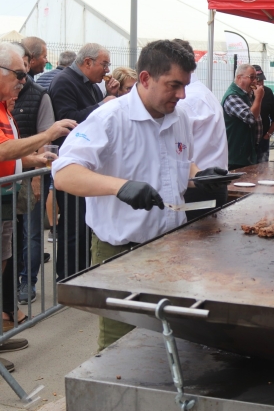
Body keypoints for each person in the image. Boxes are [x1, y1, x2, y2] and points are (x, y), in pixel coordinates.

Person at [52, 39, 227, 350]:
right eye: (174, 85)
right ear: (145, 79)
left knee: (168, 336)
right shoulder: (110, 118)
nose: (182, 95)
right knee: (121, 345)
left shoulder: (180, 117)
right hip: (121, 252)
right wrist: (120, 187)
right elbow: (65, 173)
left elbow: (180, 164)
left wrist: (200, 176)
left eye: (185, 85)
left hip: (172, 247)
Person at [0, 42, 76, 372]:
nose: (24, 80)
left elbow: (10, 152)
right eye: (19, 74)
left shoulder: (5, 106)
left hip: (6, 196)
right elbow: (4, 150)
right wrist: (46, 134)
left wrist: (32, 159)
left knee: (3, 262)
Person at [48, 43, 121, 281]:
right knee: (72, 228)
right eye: (105, 64)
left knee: (82, 226)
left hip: (85, 165)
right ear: (88, 62)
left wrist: (108, 96)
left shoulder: (90, 85)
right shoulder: (64, 82)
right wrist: (103, 105)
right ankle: (69, 278)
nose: (107, 69)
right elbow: (67, 120)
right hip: (72, 165)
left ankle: (80, 274)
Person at [12, 41, 56, 304]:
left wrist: (39, 178)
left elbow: (45, 137)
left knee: (31, 233)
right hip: (10, 177)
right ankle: (14, 281)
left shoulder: (40, 94)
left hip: (30, 177)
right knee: (13, 234)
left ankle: (28, 282)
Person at [174, 38, 229, 220]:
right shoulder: (201, 92)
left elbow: (175, 148)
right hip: (207, 182)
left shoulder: (188, 99)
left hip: (199, 186)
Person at [222, 64, 264, 170]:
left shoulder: (246, 94)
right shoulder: (232, 96)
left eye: (256, 77)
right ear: (239, 78)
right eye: (252, 77)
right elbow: (250, 118)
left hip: (247, 154)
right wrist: (258, 98)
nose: (255, 81)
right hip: (235, 157)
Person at [253, 64, 274, 163]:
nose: (260, 84)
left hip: (263, 140)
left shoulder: (267, 92)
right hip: (248, 141)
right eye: (258, 81)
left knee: (262, 168)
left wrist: (268, 134)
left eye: (262, 80)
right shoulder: (245, 93)